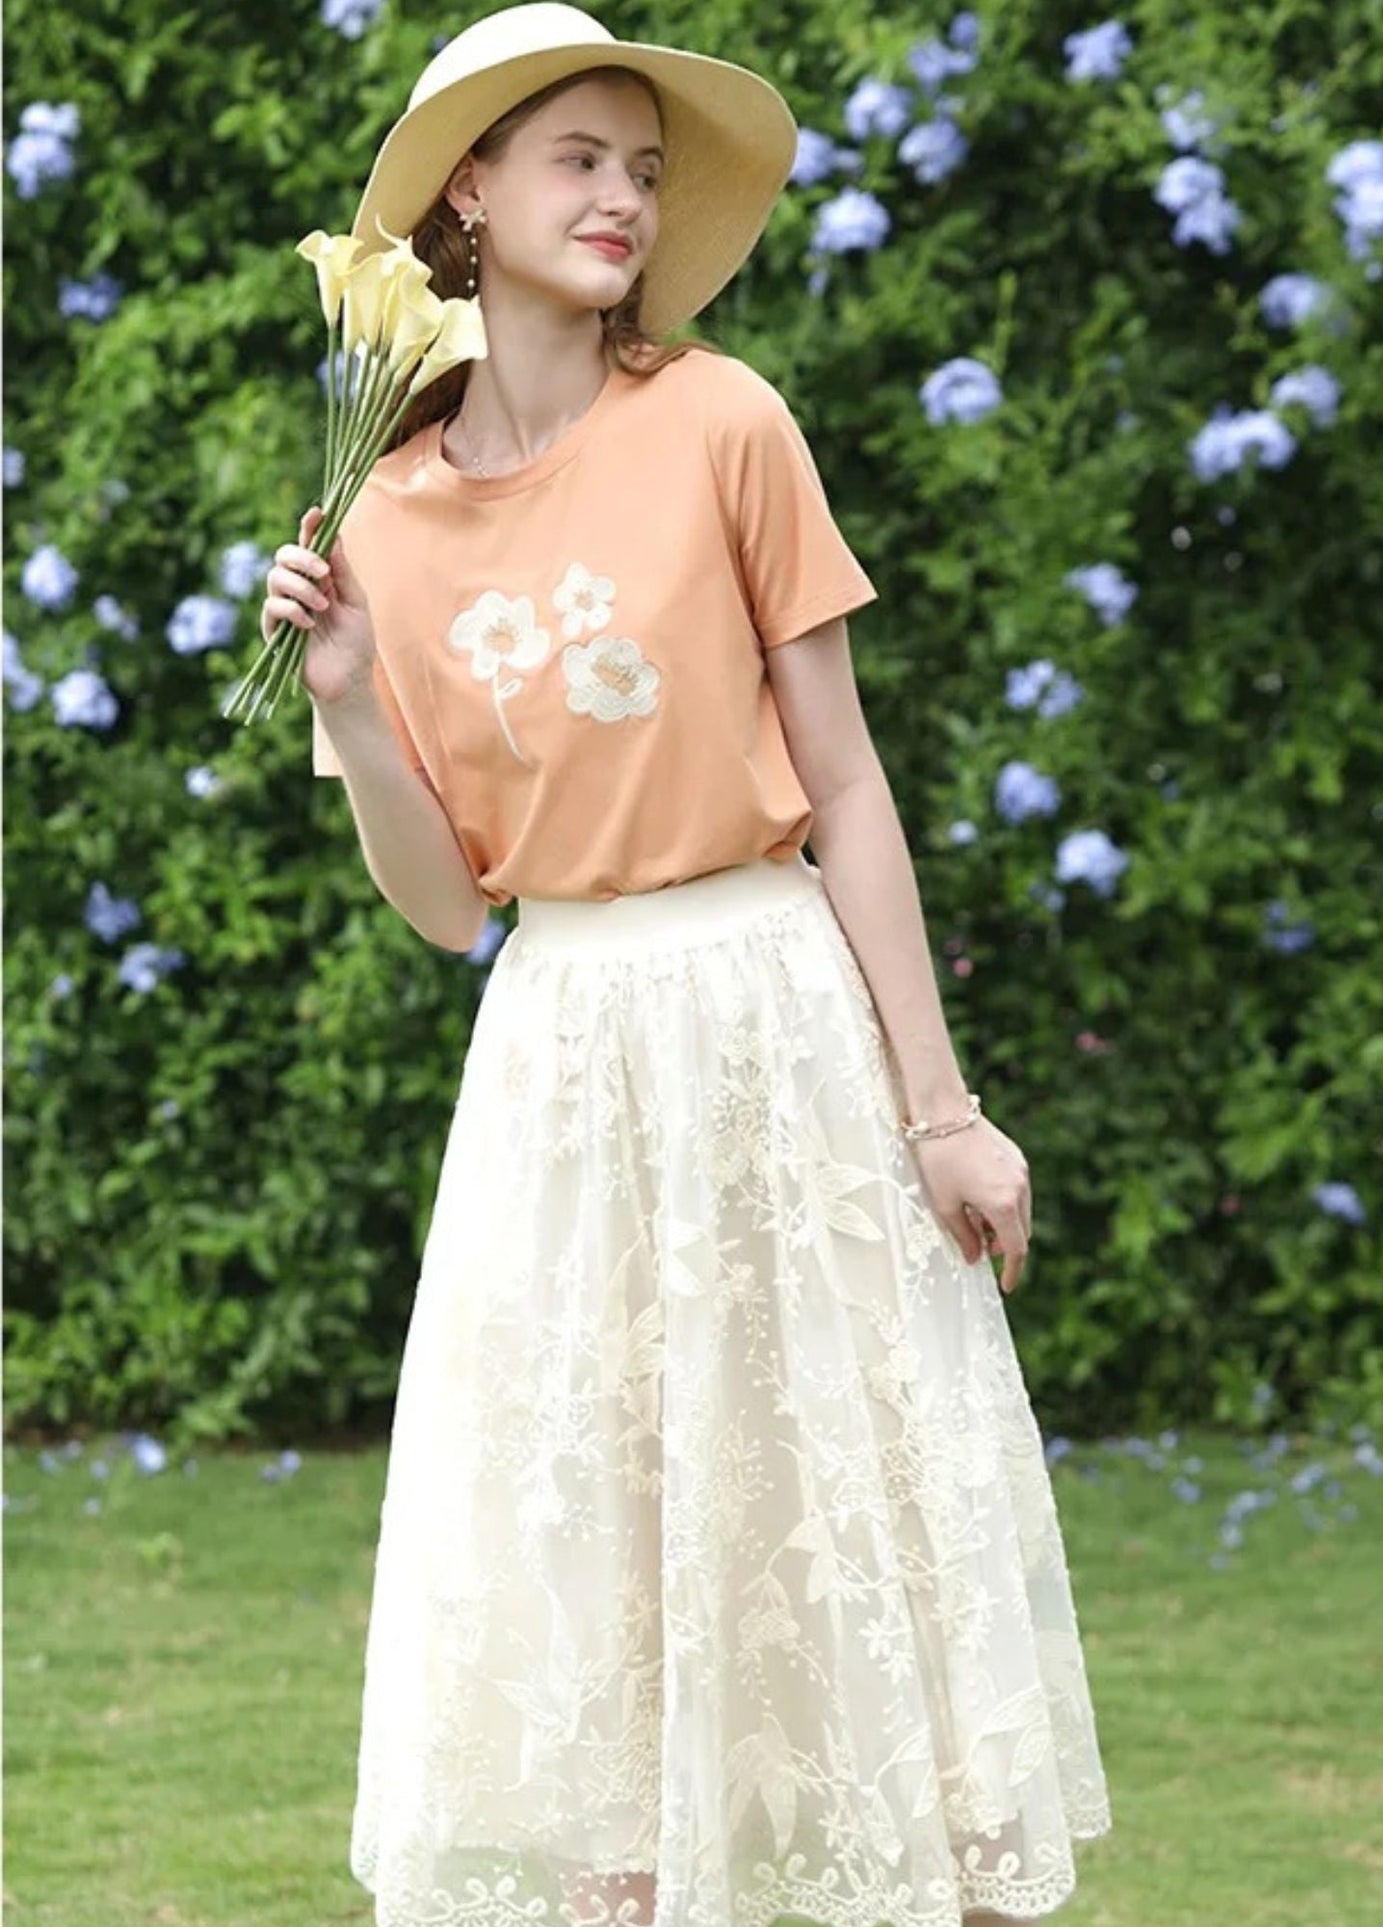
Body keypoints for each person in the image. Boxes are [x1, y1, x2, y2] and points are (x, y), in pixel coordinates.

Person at [260, 6, 1111, 1923]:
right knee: (597, 1576)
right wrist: (351, 705)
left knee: (843, 1526)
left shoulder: (724, 420)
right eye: (579, 158)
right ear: (469, 192)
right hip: (556, 1055)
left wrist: (942, 1111)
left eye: (644, 169)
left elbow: (847, 785)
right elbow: (442, 905)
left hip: (774, 1022)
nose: (622, 198)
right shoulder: (378, 525)